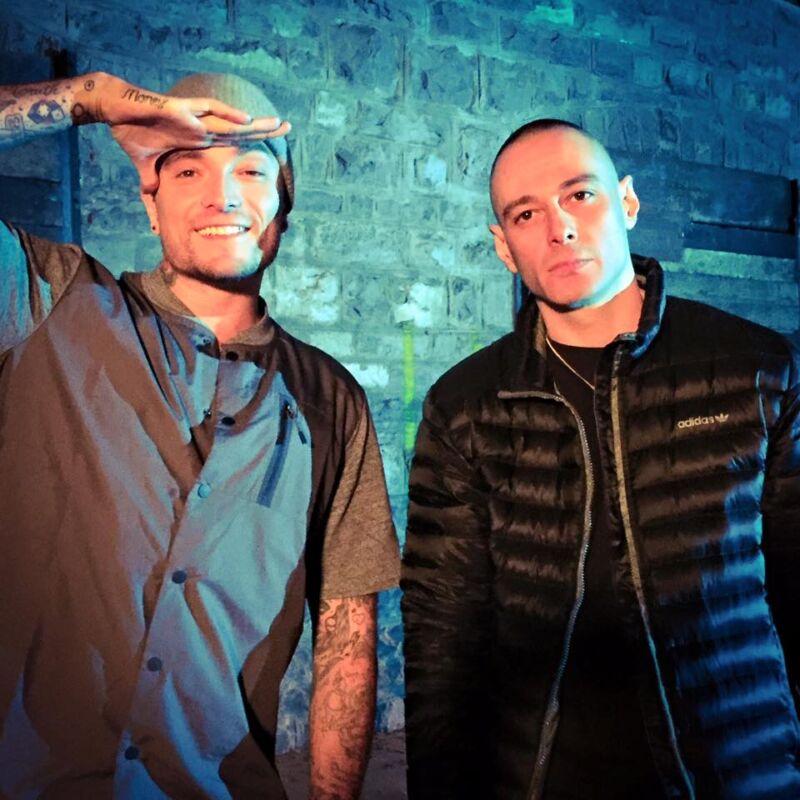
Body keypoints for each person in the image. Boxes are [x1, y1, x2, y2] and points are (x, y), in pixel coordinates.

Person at [0, 70, 399, 799]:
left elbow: (346, 637)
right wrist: (91, 97)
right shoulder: (49, 303)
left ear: (284, 207)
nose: (222, 195)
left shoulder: (330, 398)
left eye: (250, 170)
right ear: (150, 205)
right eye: (188, 170)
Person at [401, 119, 800, 799]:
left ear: (628, 203)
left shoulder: (756, 367)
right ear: (503, 247)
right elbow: (443, 629)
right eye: (526, 214)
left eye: (579, 195)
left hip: (739, 775)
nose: (559, 228)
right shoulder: (466, 405)